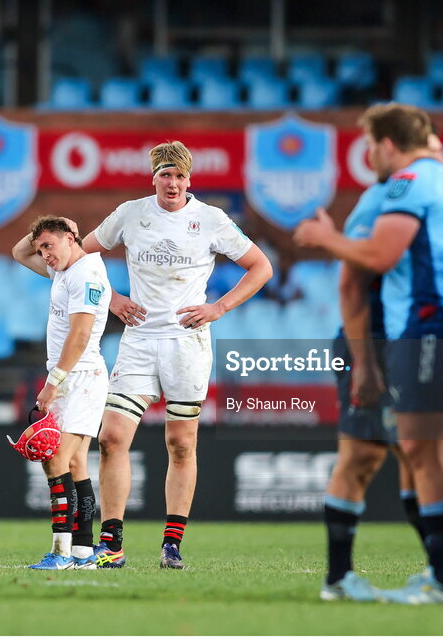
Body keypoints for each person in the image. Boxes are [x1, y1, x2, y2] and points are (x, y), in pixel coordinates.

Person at [294, 104, 443, 604]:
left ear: (387, 145)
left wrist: (328, 238)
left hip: (396, 340)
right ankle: (347, 577)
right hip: (370, 342)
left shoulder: (399, 192)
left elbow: (355, 278)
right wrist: (363, 361)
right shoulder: (406, 192)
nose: (368, 155)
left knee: (420, 453)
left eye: (371, 145)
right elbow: (353, 289)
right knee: (370, 455)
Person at [82, 141, 273, 569]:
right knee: (111, 438)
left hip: (187, 344)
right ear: (154, 178)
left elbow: (261, 266)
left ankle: (172, 544)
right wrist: (112, 298)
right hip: (138, 341)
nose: (173, 183)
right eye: (166, 175)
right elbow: (80, 257)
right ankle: (111, 544)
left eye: (180, 176)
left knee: (181, 443)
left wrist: (218, 307)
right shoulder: (131, 214)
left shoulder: (210, 220)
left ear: (190, 180)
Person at [11, 215, 111, 570]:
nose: (43, 255)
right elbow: (19, 251)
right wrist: (44, 234)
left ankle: (62, 551)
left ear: (72, 238)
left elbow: (80, 336)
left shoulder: (85, 274)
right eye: (42, 249)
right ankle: (83, 551)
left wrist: (53, 383)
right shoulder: (66, 268)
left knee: (54, 460)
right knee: (75, 463)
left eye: (49, 246)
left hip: (78, 377)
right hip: (77, 375)